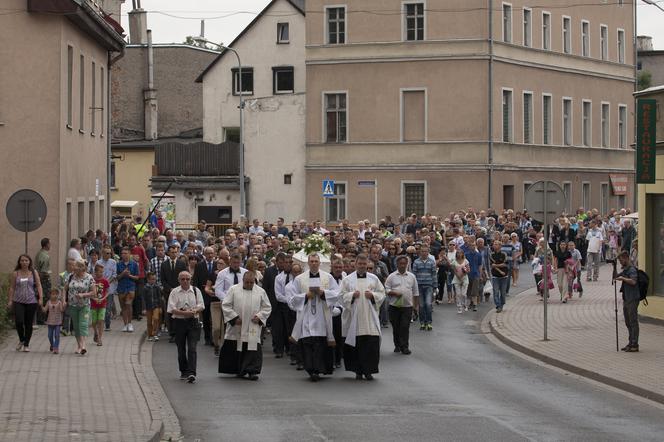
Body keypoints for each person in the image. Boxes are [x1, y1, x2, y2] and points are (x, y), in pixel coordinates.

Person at [288, 254, 341, 381]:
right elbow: (292, 299)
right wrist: (306, 295)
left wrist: (323, 293)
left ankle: (318, 369)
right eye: (311, 261)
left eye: (316, 261)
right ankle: (311, 369)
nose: (314, 263)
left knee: (320, 343)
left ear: (320, 263)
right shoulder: (300, 279)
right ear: (308, 262)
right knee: (308, 343)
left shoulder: (328, 277)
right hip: (306, 315)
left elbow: (337, 293)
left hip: (322, 315)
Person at [219, 271, 272, 380]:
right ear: (242, 280)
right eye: (246, 282)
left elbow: (267, 307)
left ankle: (252, 370)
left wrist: (260, 317)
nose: (248, 285)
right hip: (237, 325)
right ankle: (239, 369)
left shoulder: (261, 292)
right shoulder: (233, 289)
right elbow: (226, 305)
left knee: (252, 347)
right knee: (236, 346)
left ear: (254, 282)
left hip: (252, 324)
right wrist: (234, 317)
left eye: (251, 283)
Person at [340, 254, 386, 380]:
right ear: (355, 264)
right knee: (356, 345)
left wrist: (373, 296)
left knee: (370, 344)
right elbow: (341, 296)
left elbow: (382, 293)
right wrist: (351, 295)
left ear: (367, 265)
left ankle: (369, 371)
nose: (362, 266)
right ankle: (358, 371)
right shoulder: (347, 280)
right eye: (359, 264)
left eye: (364, 264)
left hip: (369, 317)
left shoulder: (374, 278)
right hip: (354, 316)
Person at [167, 271, 205, 383]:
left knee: (192, 348)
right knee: (181, 348)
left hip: (193, 322)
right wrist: (183, 313)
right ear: (179, 280)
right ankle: (184, 371)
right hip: (179, 322)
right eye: (182, 279)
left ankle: (192, 372)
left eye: (187, 279)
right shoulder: (174, 292)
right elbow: (171, 308)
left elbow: (201, 305)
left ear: (190, 280)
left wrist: (194, 311)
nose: (185, 281)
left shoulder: (196, 291)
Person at [7, 254, 43, 352]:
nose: (24, 262)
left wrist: (40, 298)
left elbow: (39, 285)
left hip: (31, 301)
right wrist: (10, 300)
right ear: (19, 262)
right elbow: (12, 287)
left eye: (26, 260)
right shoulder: (16, 273)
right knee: (19, 322)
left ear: (29, 262)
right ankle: (22, 339)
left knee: (28, 324)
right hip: (18, 301)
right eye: (22, 260)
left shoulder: (33, 272)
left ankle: (26, 344)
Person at [384, 255, 418, 355]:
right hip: (394, 306)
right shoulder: (392, 276)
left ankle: (405, 347)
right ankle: (397, 344)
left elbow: (415, 292)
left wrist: (416, 306)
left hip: (407, 306)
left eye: (404, 263)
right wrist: (394, 293)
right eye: (400, 263)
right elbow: (386, 289)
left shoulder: (412, 276)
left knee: (405, 326)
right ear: (397, 264)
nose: (403, 265)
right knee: (396, 326)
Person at [65, 259, 97, 355]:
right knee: (76, 326)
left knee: (83, 324)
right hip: (72, 305)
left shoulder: (89, 277)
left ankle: (83, 346)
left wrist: (84, 295)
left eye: (74, 266)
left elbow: (94, 292)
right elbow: (64, 289)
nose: (73, 268)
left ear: (81, 267)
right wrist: (63, 300)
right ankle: (79, 346)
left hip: (84, 305)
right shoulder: (70, 276)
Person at [614, 251, 640, 352]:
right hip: (626, 298)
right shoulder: (625, 269)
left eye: (621, 260)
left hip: (633, 298)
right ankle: (630, 342)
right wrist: (614, 266)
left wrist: (623, 279)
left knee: (633, 322)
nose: (620, 262)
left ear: (626, 258)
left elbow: (633, 281)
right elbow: (615, 276)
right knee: (628, 322)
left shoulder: (632, 269)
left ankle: (635, 344)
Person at [194, 247, 218, 346]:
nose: (210, 255)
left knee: (215, 318)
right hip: (204, 295)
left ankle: (215, 337)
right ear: (204, 254)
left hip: (215, 295)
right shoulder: (199, 266)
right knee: (206, 317)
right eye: (208, 253)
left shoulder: (217, 265)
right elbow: (196, 280)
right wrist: (197, 294)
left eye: (212, 253)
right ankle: (207, 338)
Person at [411, 246, 437, 331]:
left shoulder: (432, 262)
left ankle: (429, 322)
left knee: (428, 304)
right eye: (422, 251)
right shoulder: (416, 262)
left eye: (426, 251)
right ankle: (422, 322)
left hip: (429, 285)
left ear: (428, 252)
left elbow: (434, 274)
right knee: (421, 305)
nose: (424, 253)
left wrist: (435, 286)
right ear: (420, 252)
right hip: (419, 286)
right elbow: (413, 275)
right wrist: (413, 287)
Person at [116, 247, 139, 332]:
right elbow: (117, 277)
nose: (124, 255)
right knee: (123, 307)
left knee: (128, 304)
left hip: (130, 286)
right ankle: (125, 325)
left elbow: (137, 277)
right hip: (121, 287)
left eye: (126, 253)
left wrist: (130, 275)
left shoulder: (134, 264)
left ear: (129, 254)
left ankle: (130, 323)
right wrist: (123, 273)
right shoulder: (118, 264)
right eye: (122, 253)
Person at [98, 246, 117, 331]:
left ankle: (108, 325)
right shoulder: (98, 262)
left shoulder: (113, 262)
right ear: (102, 253)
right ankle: (100, 323)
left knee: (108, 307)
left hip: (109, 288)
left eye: (110, 253)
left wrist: (107, 283)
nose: (109, 255)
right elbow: (97, 274)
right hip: (100, 288)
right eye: (107, 253)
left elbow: (114, 275)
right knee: (101, 306)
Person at [42, 288, 65, 354]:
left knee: (57, 335)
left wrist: (64, 306)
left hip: (57, 322)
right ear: (50, 295)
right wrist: (41, 306)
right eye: (53, 294)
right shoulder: (48, 302)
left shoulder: (59, 302)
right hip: (50, 322)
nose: (54, 296)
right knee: (50, 335)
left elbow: (61, 310)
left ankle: (56, 348)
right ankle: (52, 344)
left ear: (58, 295)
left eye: (56, 294)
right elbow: (45, 310)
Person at [91, 264, 109, 346]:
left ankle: (99, 338)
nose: (101, 273)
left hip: (102, 304)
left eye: (102, 272)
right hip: (93, 304)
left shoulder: (105, 281)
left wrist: (103, 298)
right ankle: (95, 332)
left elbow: (108, 291)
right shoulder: (92, 281)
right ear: (95, 272)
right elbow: (90, 292)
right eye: (99, 272)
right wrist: (94, 298)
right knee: (94, 321)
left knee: (101, 321)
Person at [35, 238, 52, 323]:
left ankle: (40, 318)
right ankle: (42, 319)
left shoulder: (39, 253)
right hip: (44, 280)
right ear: (46, 245)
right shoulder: (45, 256)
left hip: (39, 278)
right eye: (49, 244)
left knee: (40, 297)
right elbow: (43, 271)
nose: (50, 245)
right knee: (45, 298)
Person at [490, 241, 509, 313]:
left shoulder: (504, 254)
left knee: (503, 293)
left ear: (500, 246)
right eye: (494, 244)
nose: (494, 245)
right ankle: (498, 305)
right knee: (496, 291)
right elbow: (492, 265)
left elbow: (505, 264)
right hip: (495, 276)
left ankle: (502, 303)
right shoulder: (491, 255)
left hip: (504, 276)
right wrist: (498, 269)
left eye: (496, 244)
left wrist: (497, 266)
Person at [144, 272, 163, 342]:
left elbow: (159, 297)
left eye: (154, 279)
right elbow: (143, 298)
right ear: (148, 280)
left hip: (156, 306)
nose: (153, 281)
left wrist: (160, 307)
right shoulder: (145, 288)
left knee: (156, 318)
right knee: (149, 322)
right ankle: (150, 335)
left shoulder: (157, 287)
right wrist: (143, 308)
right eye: (152, 279)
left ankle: (155, 333)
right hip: (148, 307)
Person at [451, 250, 470, 314]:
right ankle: (459, 307)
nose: (459, 254)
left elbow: (468, 269)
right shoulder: (454, 261)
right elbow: (454, 270)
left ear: (463, 254)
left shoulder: (465, 261)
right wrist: (458, 276)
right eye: (458, 253)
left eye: (461, 253)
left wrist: (464, 273)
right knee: (458, 294)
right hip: (457, 278)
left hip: (464, 278)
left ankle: (464, 304)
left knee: (463, 294)